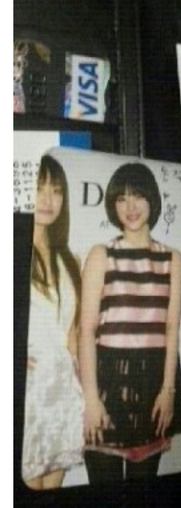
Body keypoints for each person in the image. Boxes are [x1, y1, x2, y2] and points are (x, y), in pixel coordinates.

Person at [80, 162, 181, 484]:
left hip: (153, 382)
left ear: (151, 199)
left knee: (144, 497)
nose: (130, 207)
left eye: (138, 196)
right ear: (113, 205)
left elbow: (172, 330)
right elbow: (86, 331)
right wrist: (91, 399)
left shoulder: (172, 259)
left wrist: (167, 391)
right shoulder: (101, 254)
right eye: (122, 198)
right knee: (105, 495)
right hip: (106, 381)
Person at [22, 155, 84, 490]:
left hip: (63, 396)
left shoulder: (69, 258)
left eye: (56, 190)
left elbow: (73, 333)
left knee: (51, 502)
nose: (48, 199)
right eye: (39, 187)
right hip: (28, 395)